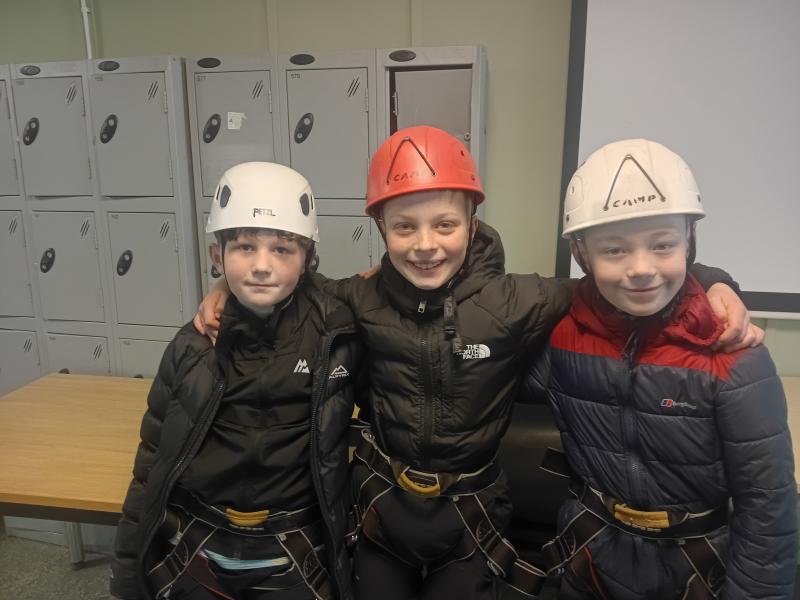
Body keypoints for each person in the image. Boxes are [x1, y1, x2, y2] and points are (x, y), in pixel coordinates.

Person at [195, 127, 759, 599]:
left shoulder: (518, 299)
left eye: (445, 224)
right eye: (404, 227)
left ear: (472, 221)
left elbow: (614, 284)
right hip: (383, 505)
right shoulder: (358, 298)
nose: (425, 244)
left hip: (471, 514)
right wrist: (224, 288)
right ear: (381, 228)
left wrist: (714, 282)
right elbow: (292, 287)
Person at [526, 138, 796, 599]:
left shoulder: (734, 353)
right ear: (582, 255)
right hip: (590, 556)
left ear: (689, 241)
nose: (641, 268)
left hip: (697, 567)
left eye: (663, 244)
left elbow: (767, 505)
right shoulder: (563, 337)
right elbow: (480, 364)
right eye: (614, 250)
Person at [110, 162, 362, 600]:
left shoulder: (335, 335)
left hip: (294, 551)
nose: (262, 266)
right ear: (216, 256)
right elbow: (151, 463)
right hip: (199, 547)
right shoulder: (192, 346)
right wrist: (129, 576)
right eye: (244, 247)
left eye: (282, 249)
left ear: (307, 259)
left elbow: (396, 295)